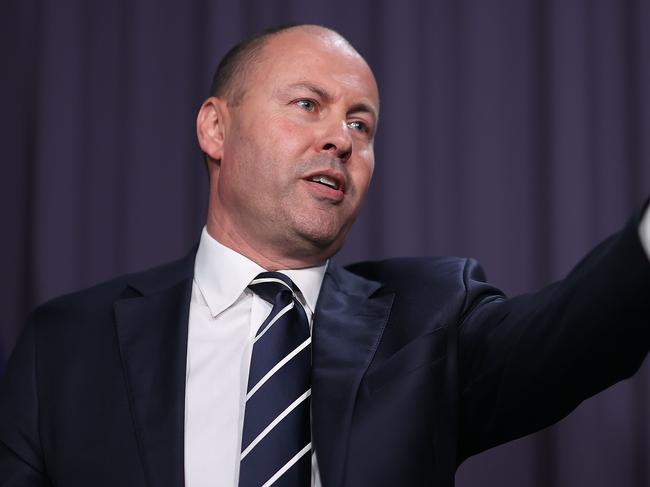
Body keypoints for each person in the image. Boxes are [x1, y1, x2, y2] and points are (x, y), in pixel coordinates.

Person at [0, 24, 648, 487]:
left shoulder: (431, 318)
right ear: (215, 128)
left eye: (361, 125)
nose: (340, 136)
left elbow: (575, 331)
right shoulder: (65, 344)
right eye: (309, 105)